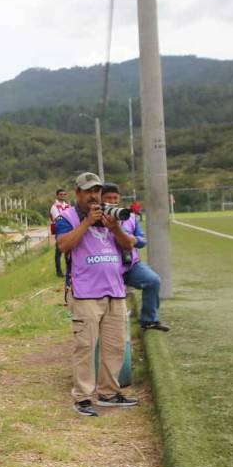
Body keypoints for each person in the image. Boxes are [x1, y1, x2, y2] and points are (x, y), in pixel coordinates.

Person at [55, 172, 140, 417]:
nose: (94, 196)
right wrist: (87, 223)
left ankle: (109, 393)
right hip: (85, 294)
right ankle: (82, 398)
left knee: (114, 346)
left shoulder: (110, 215)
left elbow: (128, 245)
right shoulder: (68, 218)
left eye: (97, 191)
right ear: (78, 193)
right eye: (89, 191)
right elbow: (63, 246)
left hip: (115, 290)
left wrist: (115, 228)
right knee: (85, 347)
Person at [101, 184, 170, 332]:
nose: (112, 201)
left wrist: (134, 240)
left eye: (115, 197)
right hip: (107, 267)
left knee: (152, 281)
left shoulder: (130, 216)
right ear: (101, 199)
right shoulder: (96, 218)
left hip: (130, 265)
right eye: (108, 198)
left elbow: (142, 240)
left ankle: (149, 321)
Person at [49, 189, 70, 277]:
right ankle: (59, 272)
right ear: (57, 195)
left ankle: (69, 270)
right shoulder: (54, 207)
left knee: (68, 252)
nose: (62, 196)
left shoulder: (67, 205)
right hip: (60, 231)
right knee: (59, 252)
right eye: (61, 194)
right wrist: (68, 217)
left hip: (69, 230)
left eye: (64, 194)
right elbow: (58, 218)